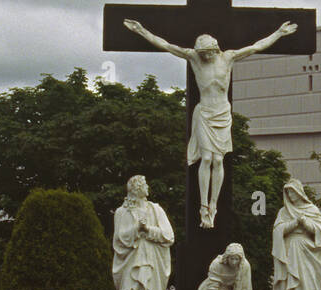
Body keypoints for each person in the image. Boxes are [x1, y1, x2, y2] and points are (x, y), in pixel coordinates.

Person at [123, 18, 297, 226]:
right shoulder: (194, 58)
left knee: (218, 160)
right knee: (206, 159)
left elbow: (256, 47)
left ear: (215, 49)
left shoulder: (228, 57)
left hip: (222, 113)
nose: (205, 56)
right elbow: (167, 45)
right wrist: (142, 30)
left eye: (208, 53)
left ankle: (214, 205)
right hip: (205, 112)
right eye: (203, 54)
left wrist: (279, 33)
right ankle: (203, 206)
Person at [112, 175, 174, 290]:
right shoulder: (122, 212)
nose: (147, 187)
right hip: (132, 261)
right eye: (144, 184)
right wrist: (136, 229)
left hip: (153, 261)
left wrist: (147, 229)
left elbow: (168, 236)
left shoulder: (156, 209)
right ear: (135, 189)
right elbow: (119, 239)